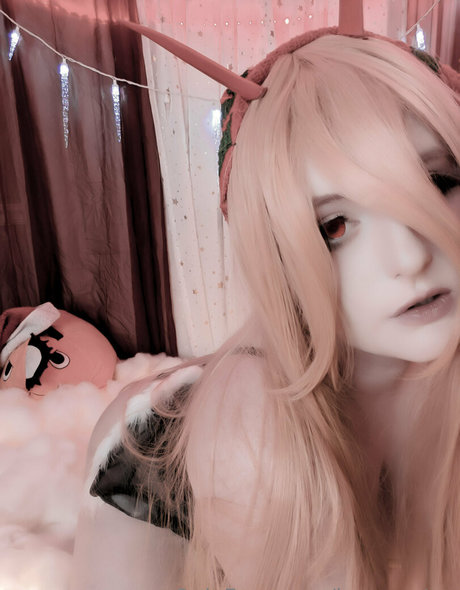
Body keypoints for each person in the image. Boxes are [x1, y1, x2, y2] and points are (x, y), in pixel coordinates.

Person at [71, 15, 460, 590]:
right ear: (276, 255)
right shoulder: (244, 427)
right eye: (334, 226)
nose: (410, 255)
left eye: (436, 182)